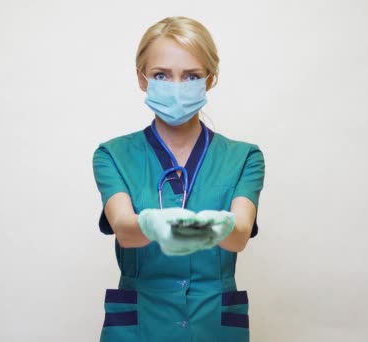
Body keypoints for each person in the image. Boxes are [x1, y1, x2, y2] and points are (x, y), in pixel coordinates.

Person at [92, 16, 265, 342]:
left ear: (210, 79)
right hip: (139, 325)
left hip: (213, 323)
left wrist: (220, 227)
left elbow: (239, 235)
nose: (175, 87)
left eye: (191, 76)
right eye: (161, 75)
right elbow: (126, 231)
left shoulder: (244, 157)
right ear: (142, 79)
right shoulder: (113, 155)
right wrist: (154, 226)